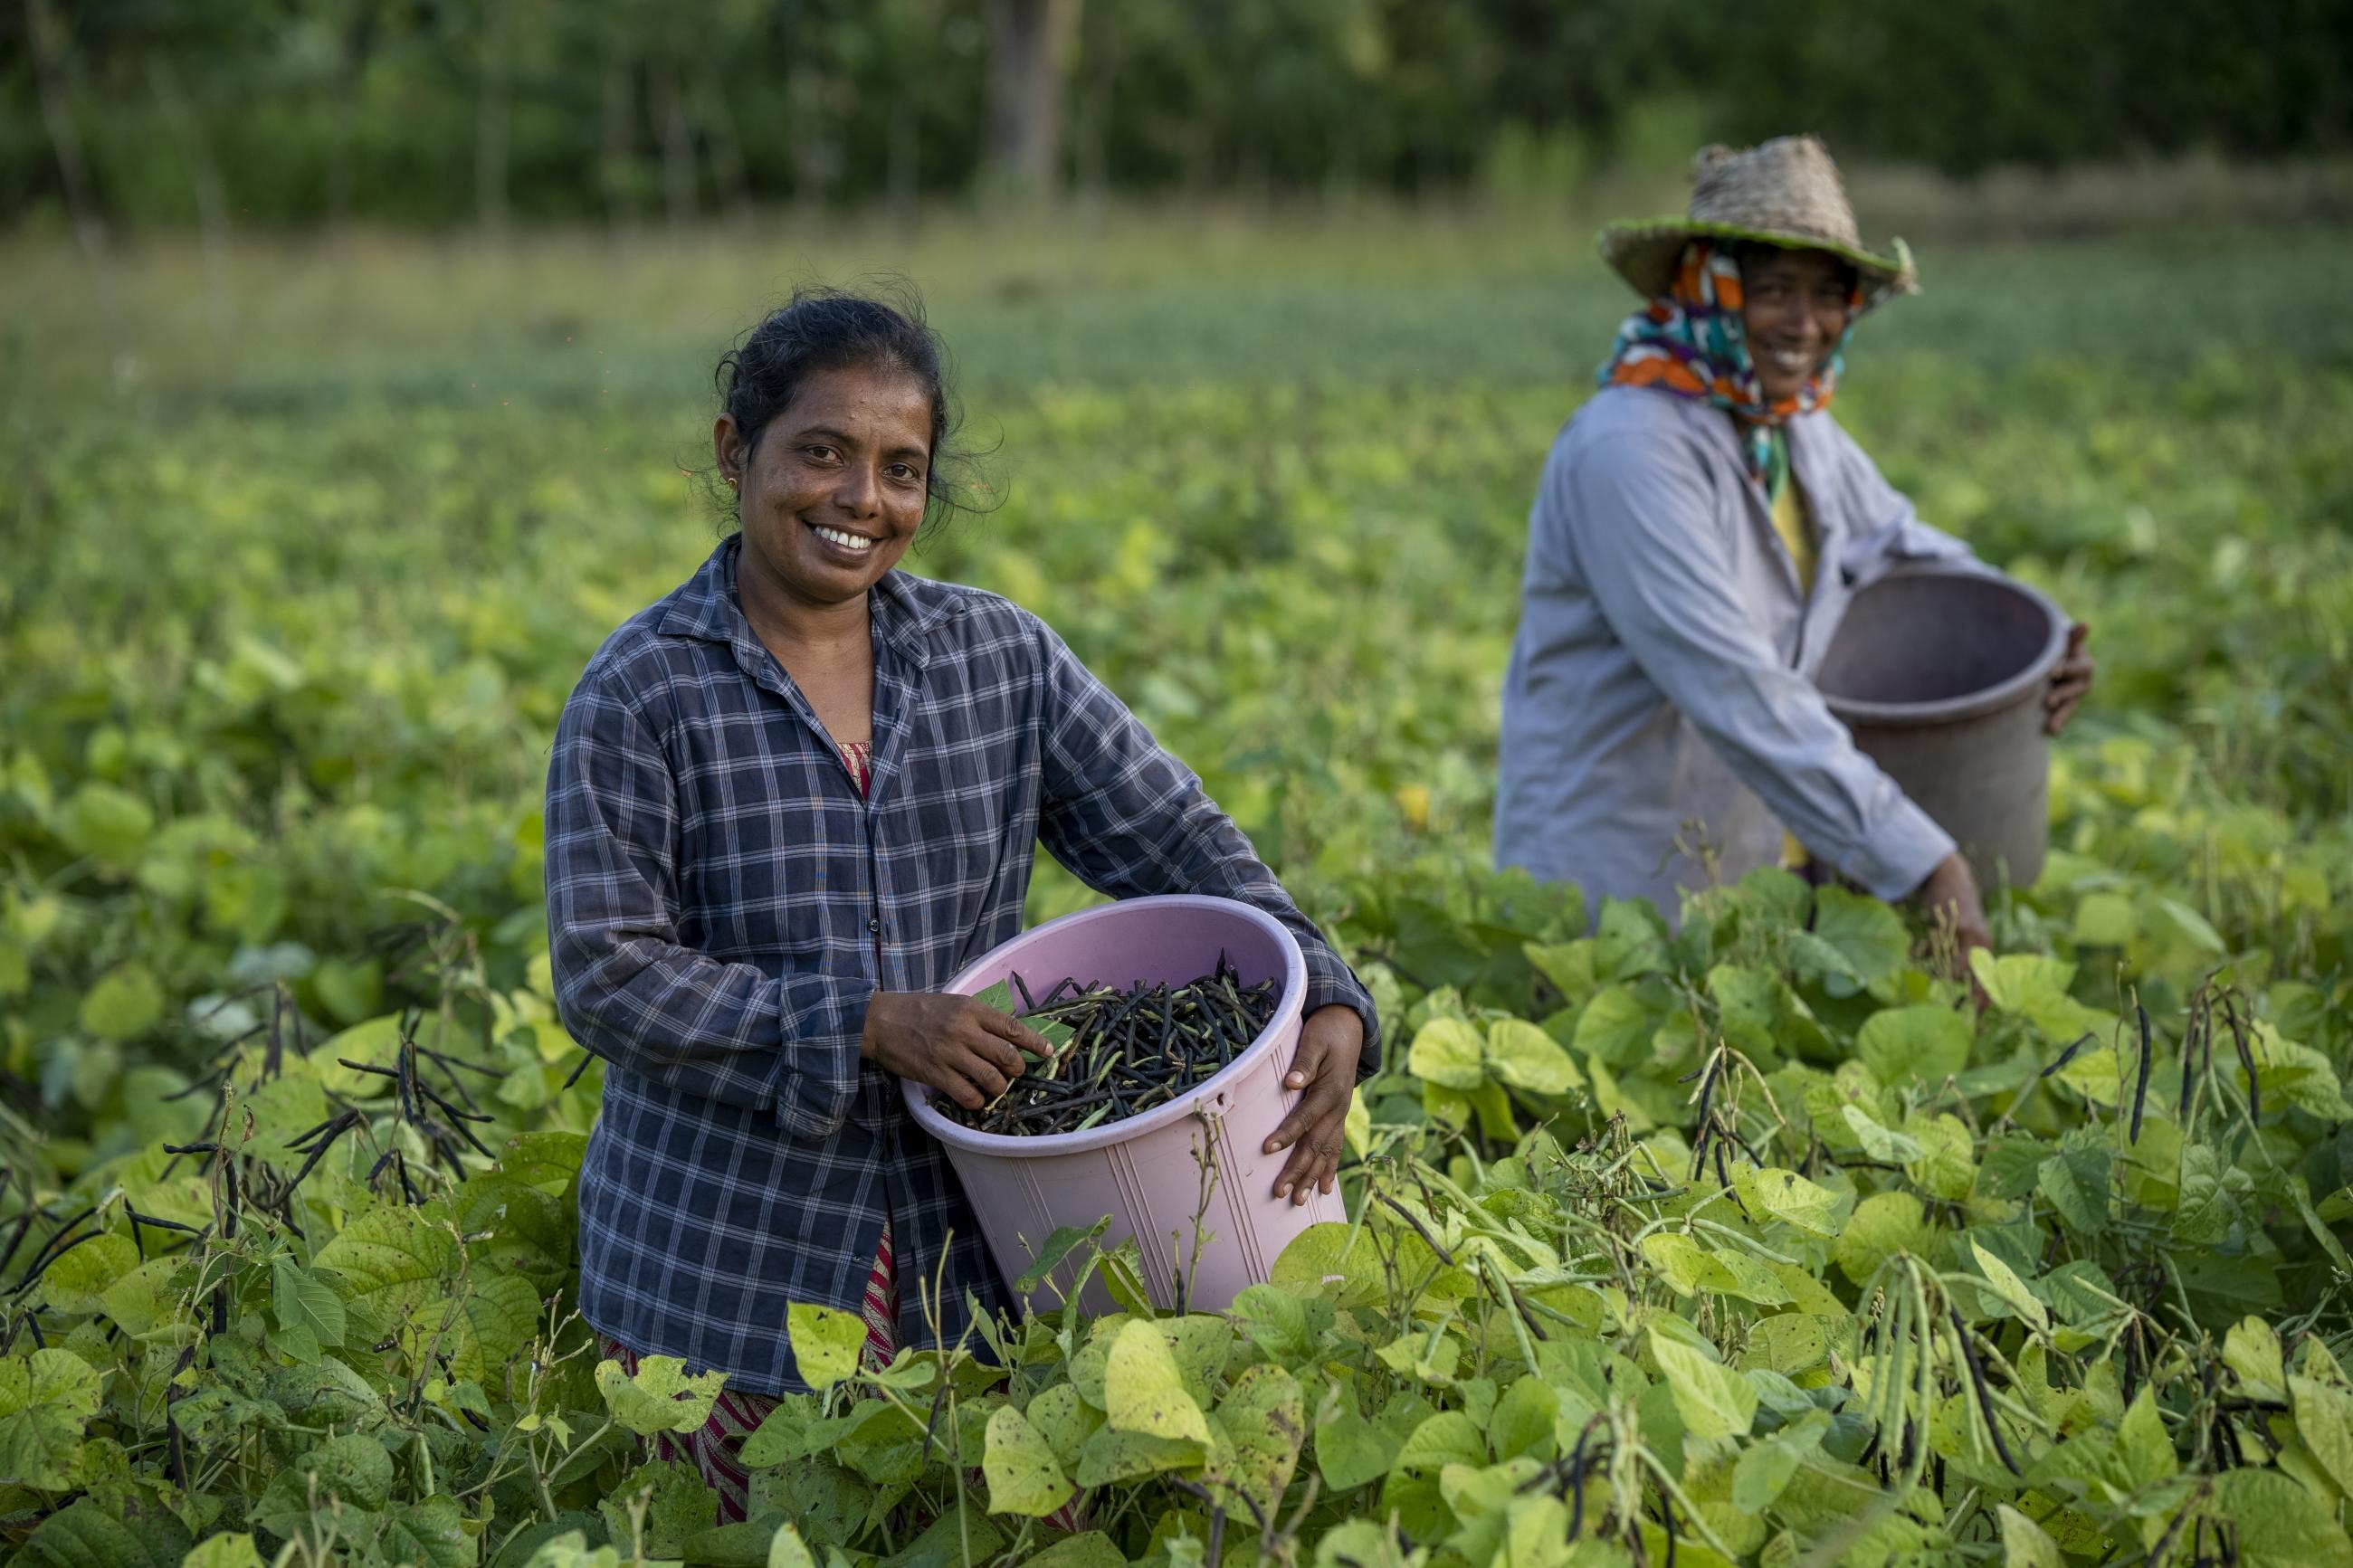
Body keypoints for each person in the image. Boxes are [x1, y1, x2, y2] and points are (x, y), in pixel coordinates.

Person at [542, 288, 1378, 1516]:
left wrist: (1325, 987)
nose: (858, 500)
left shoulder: (999, 658)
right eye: (818, 451)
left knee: (975, 1531)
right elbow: (607, 974)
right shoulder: (644, 689)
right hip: (718, 1273)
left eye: (900, 468)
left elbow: (1173, 835)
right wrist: (864, 1023)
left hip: (982, 1247)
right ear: (738, 451)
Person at [1495, 136, 2094, 950]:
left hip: (1756, 878)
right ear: (1709, 287)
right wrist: (1925, 864)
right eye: (1773, 288)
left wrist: (2044, 639)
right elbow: (1732, 685)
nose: (1803, 323)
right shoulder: (1630, 449)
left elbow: (1906, 550)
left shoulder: (1795, 432)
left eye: (1826, 293)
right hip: (1616, 896)